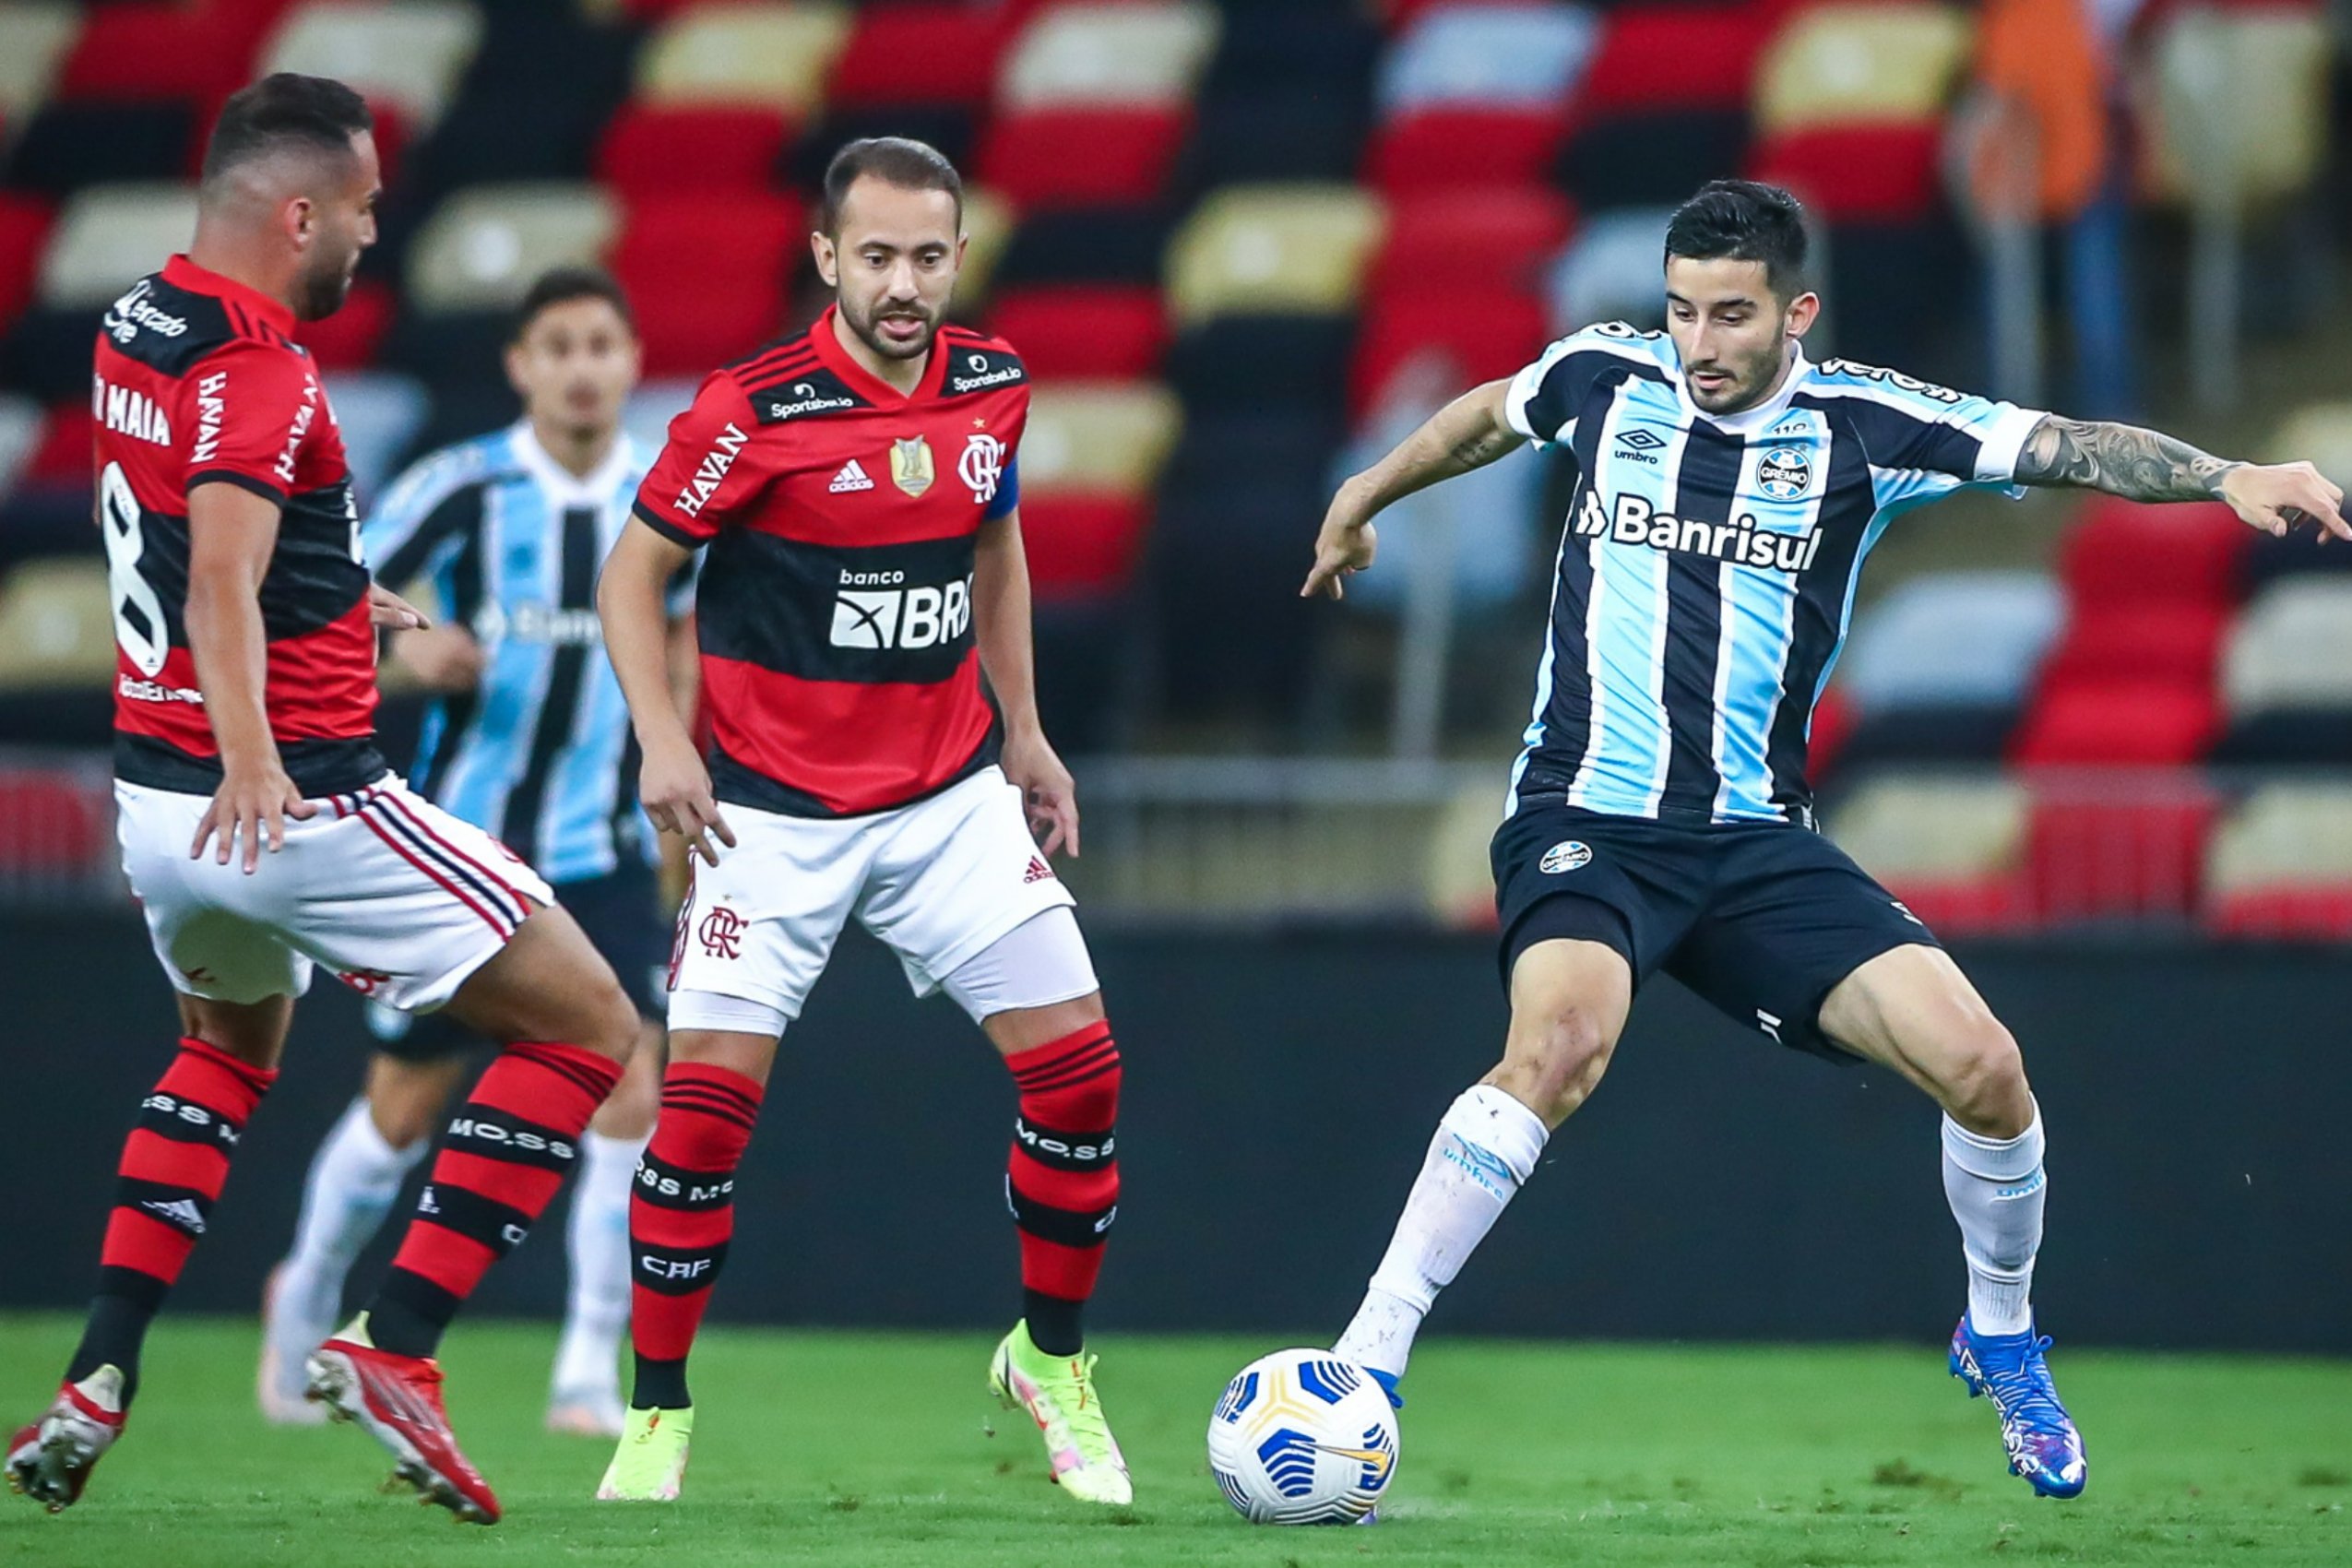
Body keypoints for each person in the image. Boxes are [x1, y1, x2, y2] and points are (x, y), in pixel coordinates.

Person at [1301, 179, 2346, 1502]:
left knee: (1985, 1069)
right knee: (1558, 1042)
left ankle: (2001, 1334)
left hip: (1750, 845)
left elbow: (2068, 446)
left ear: (1794, 312)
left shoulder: (1870, 423)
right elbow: (1482, 416)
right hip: (1585, 817)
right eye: (1680, 310)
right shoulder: (1598, 380)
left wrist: (2224, 475)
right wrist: (1368, 489)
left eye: (1729, 316)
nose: (1697, 342)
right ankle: (1365, 1362)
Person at [5, 75, 643, 1526]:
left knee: (224, 1060)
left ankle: (99, 1375)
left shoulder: (135, 325)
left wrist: (351, 593)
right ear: (298, 214)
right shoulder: (264, 368)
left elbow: (198, 540)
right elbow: (221, 572)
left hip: (156, 815)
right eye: (358, 206)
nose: (372, 231)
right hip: (289, 800)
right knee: (592, 1027)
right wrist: (255, 752)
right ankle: (396, 1343)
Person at [591, 137, 1129, 1507]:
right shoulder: (748, 412)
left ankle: (1049, 1363)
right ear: (825, 258)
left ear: (959, 255)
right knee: (701, 1120)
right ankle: (655, 1413)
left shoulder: (992, 385)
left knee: (1080, 1079)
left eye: (927, 256)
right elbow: (631, 575)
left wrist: (1024, 729)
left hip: (947, 800)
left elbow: (993, 543)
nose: (904, 284)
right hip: (765, 822)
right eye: (875, 256)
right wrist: (664, 740)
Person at [256, 266, 694, 1440]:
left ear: (632, 356)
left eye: (602, 343)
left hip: (599, 851)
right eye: (558, 345)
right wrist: (408, 656)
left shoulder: (665, 497)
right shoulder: (465, 486)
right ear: (521, 365)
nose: (583, 366)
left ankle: (587, 1368)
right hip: (464, 853)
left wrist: (680, 775)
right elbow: (331, 593)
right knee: (404, 1102)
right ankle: (302, 1298)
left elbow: (686, 632)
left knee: (628, 1087)